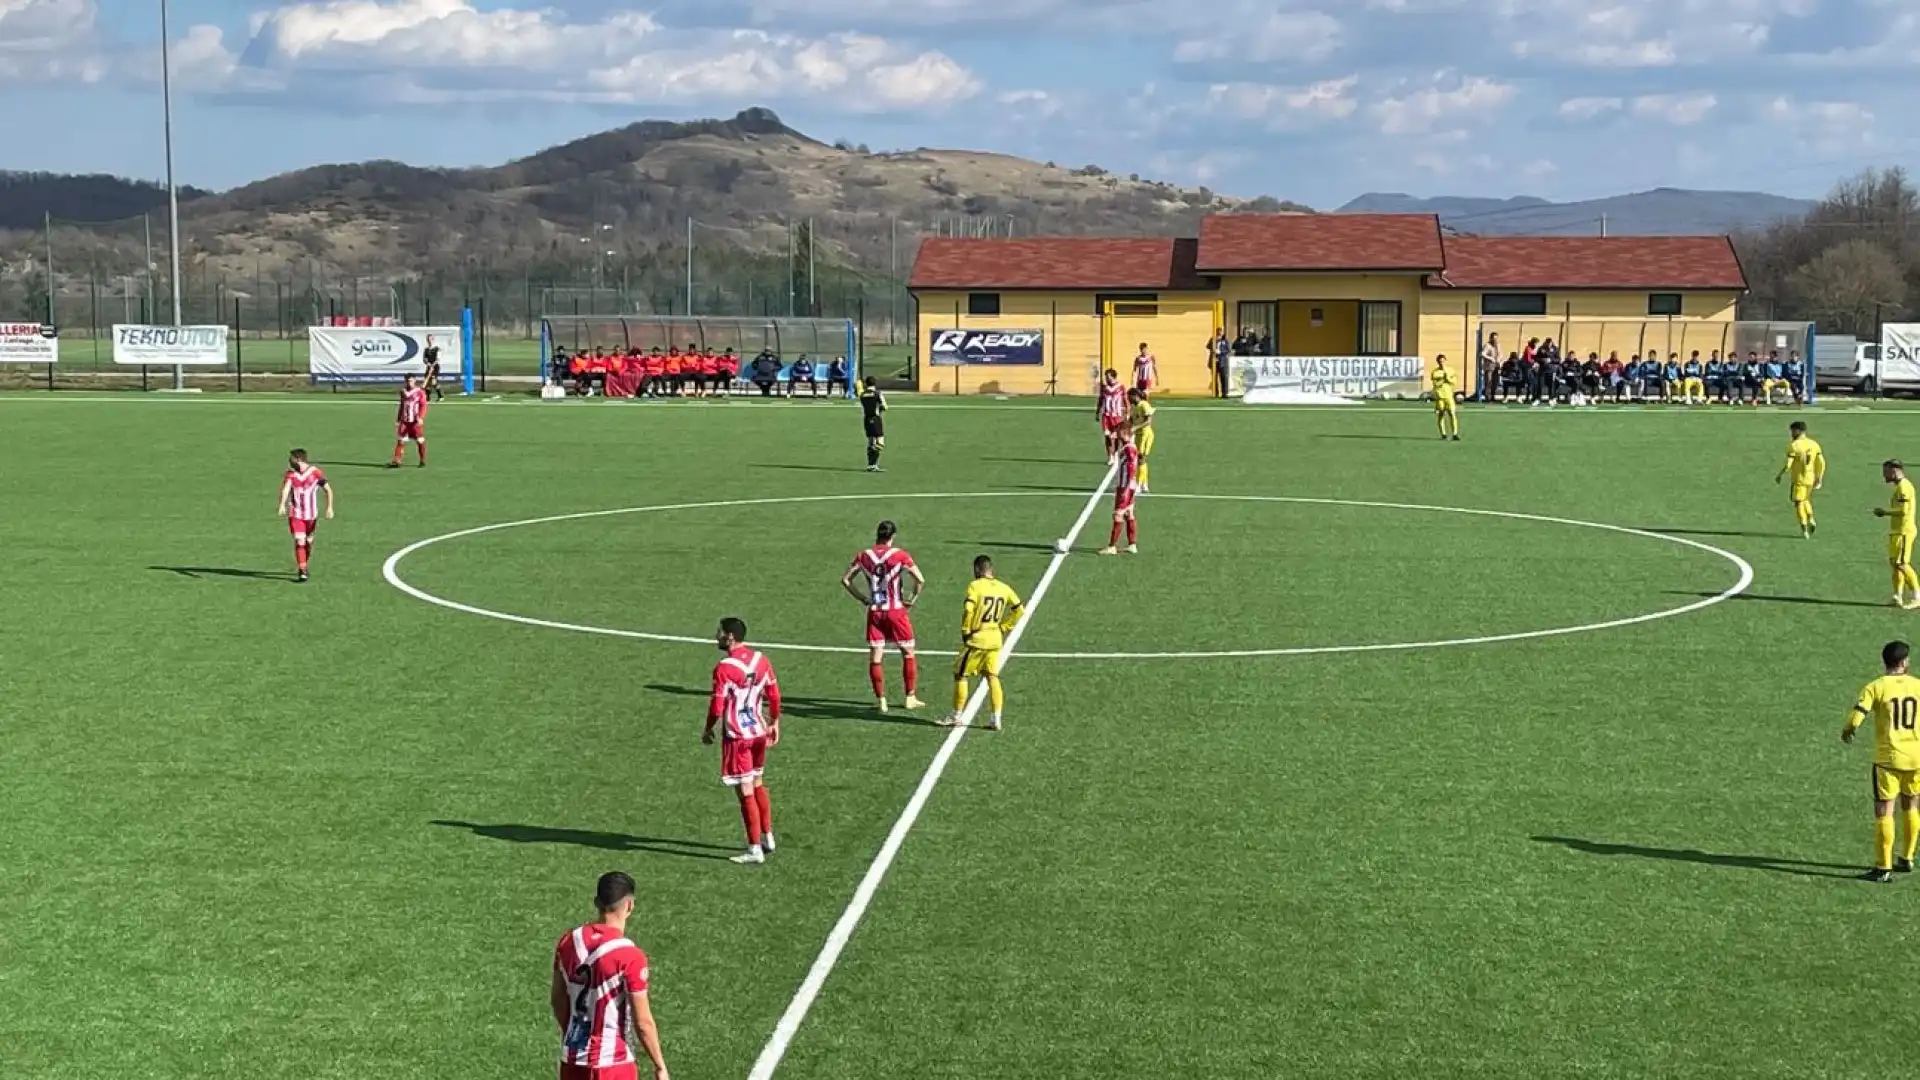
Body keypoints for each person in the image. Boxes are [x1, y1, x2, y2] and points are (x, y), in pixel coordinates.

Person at [552, 871, 670, 1080]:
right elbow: (642, 1021)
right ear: (630, 905)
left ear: (597, 902)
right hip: (613, 1064)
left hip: (572, 1060)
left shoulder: (568, 941)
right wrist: (659, 1065)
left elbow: (558, 1000)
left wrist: (574, 1035)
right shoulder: (629, 955)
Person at [702, 617, 780, 865]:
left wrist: (708, 728)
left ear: (730, 637)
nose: (717, 636)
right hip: (758, 731)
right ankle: (768, 836)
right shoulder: (762, 660)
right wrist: (774, 722)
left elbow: (717, 706)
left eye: (720, 633)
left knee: (745, 791)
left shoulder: (724, 667)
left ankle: (754, 848)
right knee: (757, 783)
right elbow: (774, 695)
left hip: (738, 736)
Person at [1842, 641, 1920, 882]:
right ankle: (1907, 857)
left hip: (1888, 760)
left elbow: (1858, 716)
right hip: (1916, 757)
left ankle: (1883, 867)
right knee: (1912, 805)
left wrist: (1848, 730)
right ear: (1904, 662)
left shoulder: (1875, 687)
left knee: (1885, 810)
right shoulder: (1918, 685)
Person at [843, 520, 926, 713]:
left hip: (875, 612)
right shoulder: (900, 555)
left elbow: (846, 579)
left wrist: (863, 598)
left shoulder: (864, 556)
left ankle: (881, 701)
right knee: (908, 652)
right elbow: (920, 579)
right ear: (892, 536)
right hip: (896, 611)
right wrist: (911, 599)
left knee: (876, 657)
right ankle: (910, 697)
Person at [942, 554, 1024, 731]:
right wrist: (1005, 626)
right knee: (992, 677)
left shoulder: (975, 586)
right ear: (991, 569)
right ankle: (996, 718)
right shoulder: (1004, 587)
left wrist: (966, 630)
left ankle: (956, 715)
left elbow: (968, 609)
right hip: (995, 639)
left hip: (978, 639)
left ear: (977, 570)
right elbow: (1019, 610)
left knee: (960, 674)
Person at [276, 449, 333, 583]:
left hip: (311, 514)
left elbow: (328, 490)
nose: (290, 461)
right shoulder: (290, 474)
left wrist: (329, 507)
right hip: (296, 513)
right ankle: (302, 570)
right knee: (299, 540)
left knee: (308, 541)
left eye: (292, 459)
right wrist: (282, 505)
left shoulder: (315, 473)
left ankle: (304, 563)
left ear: (299, 459)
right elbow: (286, 490)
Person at [1878, 460, 1920, 608]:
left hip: (1904, 531)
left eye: (1886, 472)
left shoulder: (1904, 488)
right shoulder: (1900, 487)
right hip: (1897, 531)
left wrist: (1884, 512)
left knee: (1901, 563)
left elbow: (1904, 511)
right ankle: (1897, 596)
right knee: (1895, 564)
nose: (1884, 476)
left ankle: (1917, 596)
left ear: (1895, 471)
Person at [1776, 421, 1826, 539]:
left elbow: (1789, 464)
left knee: (1798, 503)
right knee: (1805, 499)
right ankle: (1811, 519)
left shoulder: (1794, 446)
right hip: (1810, 478)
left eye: (1792, 431)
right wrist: (1819, 478)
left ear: (1797, 431)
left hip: (1799, 479)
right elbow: (1822, 463)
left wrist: (1780, 474)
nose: (1791, 434)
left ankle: (1804, 528)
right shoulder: (1814, 444)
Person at [1099, 430, 1143, 555]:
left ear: (1127, 434)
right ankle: (1132, 544)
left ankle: (1112, 546)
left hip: (1125, 487)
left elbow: (1131, 466)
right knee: (1129, 513)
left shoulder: (1129, 449)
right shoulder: (1131, 447)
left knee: (1118, 514)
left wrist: (1127, 485)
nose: (1119, 435)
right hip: (1129, 486)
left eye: (1121, 433)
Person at [390, 374, 428, 468]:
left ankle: (422, 460)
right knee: (401, 441)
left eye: (411, 380)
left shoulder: (419, 392)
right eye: (407, 381)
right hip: (404, 421)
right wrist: (398, 419)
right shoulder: (403, 391)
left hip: (415, 422)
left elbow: (423, 406)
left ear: (415, 381)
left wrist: (420, 417)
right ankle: (397, 460)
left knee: (420, 441)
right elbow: (402, 406)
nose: (409, 382)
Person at [1097, 368, 1129, 461]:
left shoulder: (1120, 387)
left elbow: (1125, 400)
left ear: (1113, 377)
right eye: (1106, 377)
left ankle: (1124, 453)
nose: (1107, 379)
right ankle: (1111, 456)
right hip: (1106, 416)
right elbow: (1100, 399)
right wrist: (1097, 412)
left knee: (1119, 436)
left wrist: (1127, 412)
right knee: (1107, 435)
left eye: (1108, 377)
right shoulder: (1104, 388)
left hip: (1117, 416)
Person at [1128, 388, 1155, 491]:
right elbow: (1131, 420)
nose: (1128, 399)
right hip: (1138, 435)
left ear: (1135, 396)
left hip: (1145, 434)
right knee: (1141, 460)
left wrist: (1136, 427)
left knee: (1141, 459)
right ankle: (1144, 483)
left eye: (1130, 397)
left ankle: (1139, 484)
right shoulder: (1133, 407)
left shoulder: (1144, 405)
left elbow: (1148, 421)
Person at [859, 376, 886, 471]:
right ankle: (873, 464)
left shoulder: (862, 395)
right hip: (876, 419)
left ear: (866, 383)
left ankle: (870, 465)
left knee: (871, 441)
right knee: (880, 443)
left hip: (866, 419)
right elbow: (885, 407)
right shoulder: (878, 394)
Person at [1431, 355, 1460, 440]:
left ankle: (1455, 434)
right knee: (1441, 414)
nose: (1442, 363)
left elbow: (1453, 382)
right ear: (1437, 362)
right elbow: (1435, 384)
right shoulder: (1435, 372)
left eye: (1443, 361)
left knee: (1452, 413)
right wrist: (1443, 380)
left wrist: (1447, 378)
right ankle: (1443, 434)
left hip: (1449, 396)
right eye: (1440, 361)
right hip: (1440, 396)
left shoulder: (1450, 370)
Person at [422, 335, 444, 402]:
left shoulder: (437, 348)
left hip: (435, 367)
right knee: (427, 383)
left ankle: (441, 396)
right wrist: (428, 364)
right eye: (428, 339)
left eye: (431, 339)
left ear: (433, 340)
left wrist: (432, 366)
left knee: (433, 382)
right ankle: (427, 398)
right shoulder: (426, 349)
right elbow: (424, 359)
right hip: (429, 367)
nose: (429, 341)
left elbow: (438, 359)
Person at [1210, 329, 1231, 398]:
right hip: (1214, 361)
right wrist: (1213, 348)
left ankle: (1224, 393)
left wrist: (1221, 352)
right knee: (1214, 378)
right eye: (1218, 331)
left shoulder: (1225, 340)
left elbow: (1228, 350)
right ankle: (1215, 393)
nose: (1220, 333)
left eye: (1221, 331)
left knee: (1224, 377)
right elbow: (1208, 346)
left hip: (1223, 361)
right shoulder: (1213, 339)